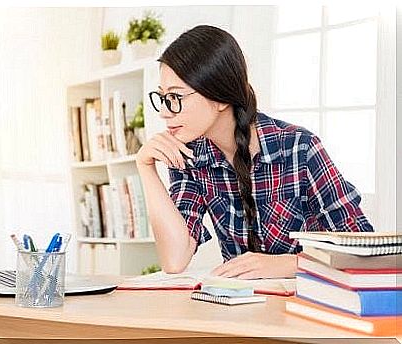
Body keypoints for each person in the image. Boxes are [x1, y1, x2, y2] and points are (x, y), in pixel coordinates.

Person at [136, 25, 373, 279]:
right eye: (162, 97)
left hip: (305, 305)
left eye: (175, 97)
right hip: (238, 310)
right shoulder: (189, 156)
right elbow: (175, 259)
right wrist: (145, 167)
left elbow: (363, 250)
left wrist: (290, 264)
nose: (164, 111)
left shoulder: (299, 148)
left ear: (220, 98)